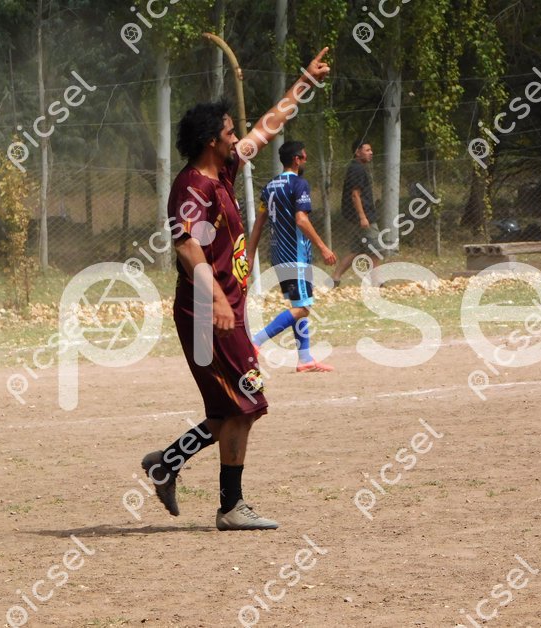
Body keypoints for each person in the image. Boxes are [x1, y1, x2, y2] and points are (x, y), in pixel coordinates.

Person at [141, 49, 331, 531]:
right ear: (212, 141)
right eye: (229, 132)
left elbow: (266, 128)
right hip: (207, 316)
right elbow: (186, 246)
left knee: (235, 407)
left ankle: (169, 463)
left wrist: (303, 84)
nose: (236, 138)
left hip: (224, 312)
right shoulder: (191, 189)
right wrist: (218, 299)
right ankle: (229, 506)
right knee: (248, 403)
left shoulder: (221, 172)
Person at [246, 140, 336, 372]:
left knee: (299, 304)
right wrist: (323, 247)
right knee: (303, 308)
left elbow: (258, 224)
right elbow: (301, 220)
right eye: (304, 156)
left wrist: (250, 254)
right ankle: (255, 342)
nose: (306, 160)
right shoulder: (299, 184)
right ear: (297, 159)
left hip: (279, 255)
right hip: (295, 255)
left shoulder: (270, 187)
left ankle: (304, 359)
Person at [330, 140, 379, 287]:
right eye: (367, 150)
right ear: (357, 152)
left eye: (371, 150)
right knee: (376, 249)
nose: (371, 153)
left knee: (355, 250)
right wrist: (363, 217)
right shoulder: (357, 169)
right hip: (362, 217)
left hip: (354, 217)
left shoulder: (356, 168)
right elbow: (355, 195)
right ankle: (376, 282)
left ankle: (335, 278)